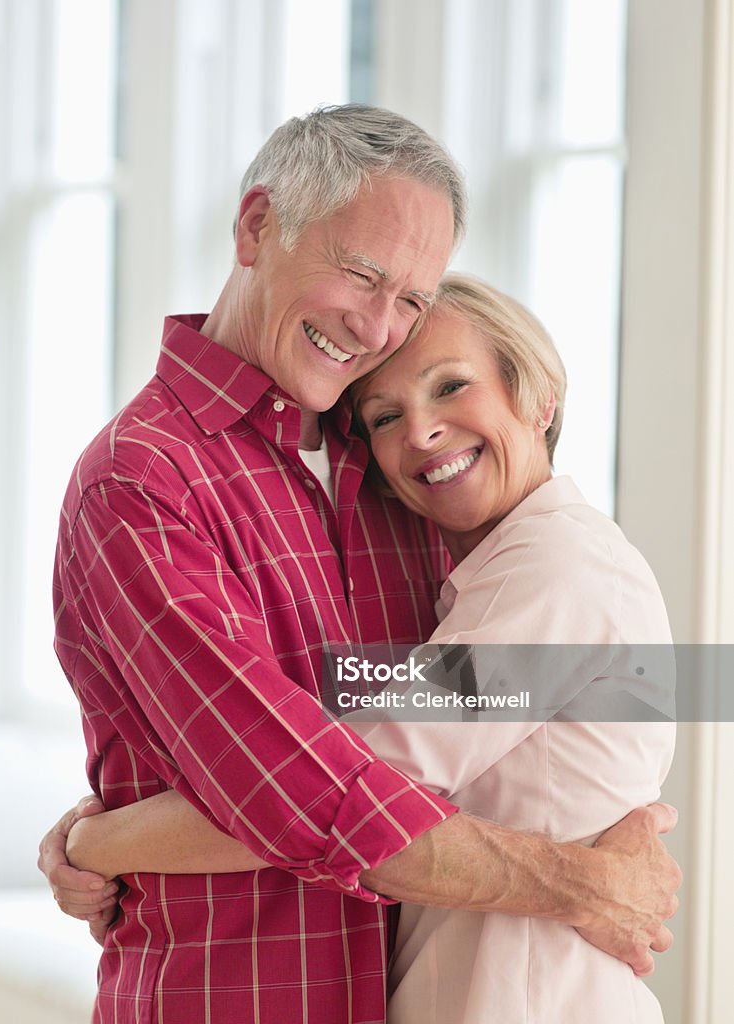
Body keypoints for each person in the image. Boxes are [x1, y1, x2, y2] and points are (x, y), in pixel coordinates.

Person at [40, 106, 680, 1023]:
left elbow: (380, 732)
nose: (380, 326)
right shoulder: (144, 482)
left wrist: (110, 832)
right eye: (360, 273)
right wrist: (577, 879)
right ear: (257, 226)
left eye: (412, 301)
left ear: (539, 396)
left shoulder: (392, 476)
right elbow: (297, 785)